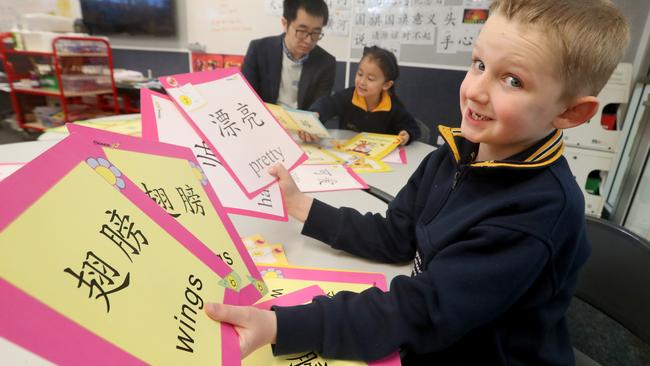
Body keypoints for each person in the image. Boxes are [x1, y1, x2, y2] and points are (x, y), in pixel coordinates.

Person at [207, 0, 629, 364]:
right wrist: (302, 205)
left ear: (570, 114)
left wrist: (284, 324)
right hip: (435, 332)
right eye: (479, 64)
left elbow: (422, 312)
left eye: (512, 80)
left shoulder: (536, 212)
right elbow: (396, 235)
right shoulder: (456, 151)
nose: (476, 91)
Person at [300, 46, 420, 146]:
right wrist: (316, 114)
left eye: (370, 78)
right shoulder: (348, 96)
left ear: (386, 84)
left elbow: (412, 127)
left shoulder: (393, 106)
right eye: (360, 74)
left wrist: (407, 134)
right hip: (347, 155)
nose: (362, 82)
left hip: (380, 161)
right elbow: (327, 104)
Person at [242, 0, 336, 110]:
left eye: (316, 33)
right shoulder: (259, 50)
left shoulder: (326, 63)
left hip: (301, 125)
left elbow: (318, 109)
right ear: (285, 24)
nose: (308, 40)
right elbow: (246, 98)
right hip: (263, 121)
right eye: (302, 30)